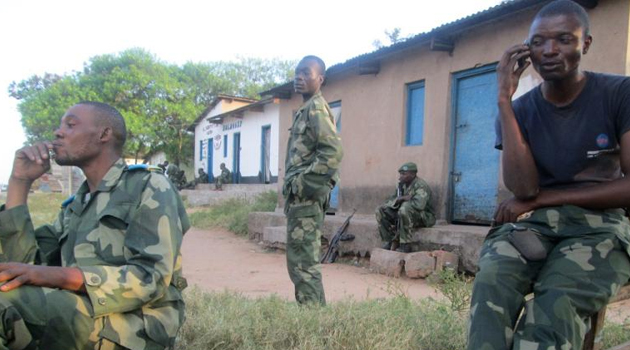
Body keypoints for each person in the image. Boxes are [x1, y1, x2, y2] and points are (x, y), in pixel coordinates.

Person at [468, 2, 630, 349]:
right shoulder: (519, 110)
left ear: (585, 43)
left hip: (600, 226)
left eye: (563, 40)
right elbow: (524, 187)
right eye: (538, 42)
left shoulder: (619, 93)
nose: (549, 51)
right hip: (536, 226)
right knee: (491, 283)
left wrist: (545, 197)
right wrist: (502, 101)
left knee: (555, 305)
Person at [0, 101, 189, 350]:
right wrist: (19, 182)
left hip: (136, 325)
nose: (58, 132)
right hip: (81, 311)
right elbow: (26, 266)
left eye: (70, 124)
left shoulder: (149, 185)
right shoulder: (75, 205)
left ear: (104, 134)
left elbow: (150, 278)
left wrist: (58, 276)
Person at [282, 55, 343, 305]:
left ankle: (312, 321)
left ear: (320, 79)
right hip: (300, 202)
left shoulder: (316, 108)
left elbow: (332, 152)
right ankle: (316, 320)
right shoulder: (305, 109)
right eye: (297, 73)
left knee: (303, 265)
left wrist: (301, 185)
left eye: (306, 73)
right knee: (302, 264)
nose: (299, 78)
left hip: (305, 200)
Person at [375, 162, 435, 253]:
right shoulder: (401, 185)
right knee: (380, 210)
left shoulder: (420, 185)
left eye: (404, 174)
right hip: (405, 213)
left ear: (413, 174)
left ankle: (405, 244)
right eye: (400, 174)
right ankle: (390, 241)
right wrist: (400, 199)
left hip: (424, 217)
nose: (401, 176)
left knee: (405, 208)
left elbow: (419, 205)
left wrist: (403, 202)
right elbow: (389, 201)